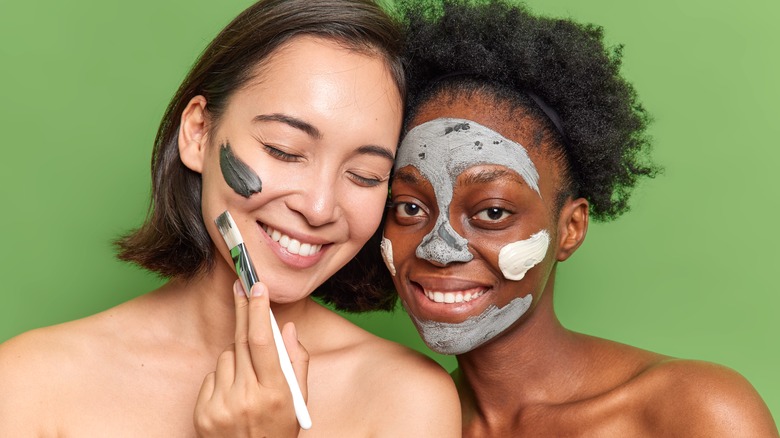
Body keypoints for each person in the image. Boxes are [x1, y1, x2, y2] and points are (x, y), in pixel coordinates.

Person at [0, 0, 461, 436]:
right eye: (284, 150)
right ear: (198, 133)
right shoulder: (29, 385)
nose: (318, 208)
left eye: (364, 175)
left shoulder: (408, 401)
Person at [380, 0, 779, 435]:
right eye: (410, 208)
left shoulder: (692, 410)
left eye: (492, 212)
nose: (438, 248)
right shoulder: (400, 424)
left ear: (570, 228)